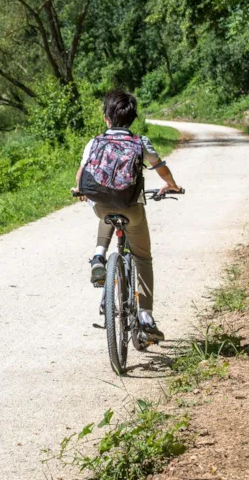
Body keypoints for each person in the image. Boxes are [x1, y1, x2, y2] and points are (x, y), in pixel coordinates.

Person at [70, 90, 182, 342]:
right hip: (132, 207)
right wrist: (171, 185)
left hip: (102, 207)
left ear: (106, 118)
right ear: (132, 118)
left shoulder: (94, 142)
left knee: (105, 205)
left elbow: (81, 175)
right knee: (142, 257)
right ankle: (145, 316)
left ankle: (99, 255)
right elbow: (160, 168)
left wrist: (80, 191)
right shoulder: (140, 142)